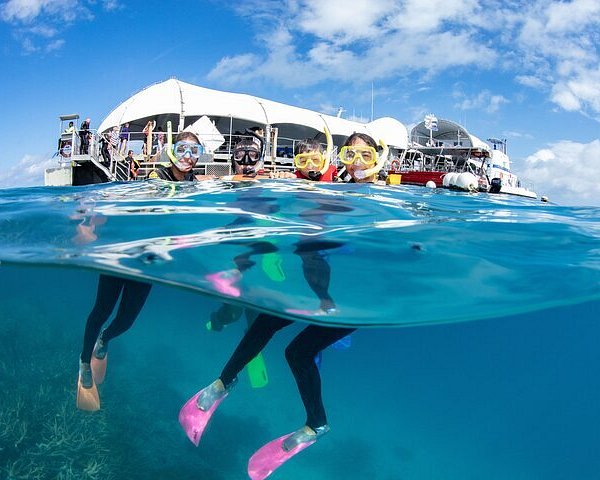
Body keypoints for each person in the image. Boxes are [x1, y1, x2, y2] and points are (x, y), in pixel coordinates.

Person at [179, 131, 385, 477]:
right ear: (341, 160)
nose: (359, 164)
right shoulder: (322, 187)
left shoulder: (384, 193)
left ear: (379, 156)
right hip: (319, 293)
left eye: (366, 156)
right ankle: (222, 383)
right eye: (351, 156)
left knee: (297, 353)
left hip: (354, 300)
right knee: (264, 322)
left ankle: (316, 424)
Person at [76, 130, 203, 412]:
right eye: (182, 149)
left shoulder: (195, 185)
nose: (188, 157)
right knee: (101, 310)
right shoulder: (158, 178)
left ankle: (104, 340)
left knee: (125, 322)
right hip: (123, 252)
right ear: (171, 151)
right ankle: (84, 362)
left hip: (149, 261)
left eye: (195, 152)